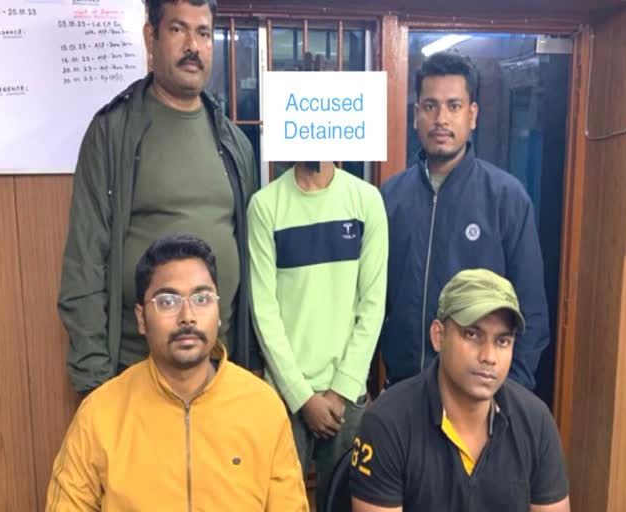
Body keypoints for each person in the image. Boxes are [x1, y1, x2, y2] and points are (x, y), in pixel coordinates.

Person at [58, 0, 258, 396]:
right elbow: (84, 265)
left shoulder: (233, 141)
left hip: (221, 371)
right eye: (178, 29)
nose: (193, 46)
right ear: (151, 36)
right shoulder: (113, 134)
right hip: (136, 374)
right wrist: (95, 387)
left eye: (203, 33)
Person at [47, 234, 309, 511]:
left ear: (218, 311)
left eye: (202, 298)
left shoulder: (262, 407)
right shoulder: (100, 414)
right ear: (141, 319)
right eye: (168, 301)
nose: (187, 316)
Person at [380, 51, 549, 390]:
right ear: (416, 115)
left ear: (472, 115)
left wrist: (507, 396)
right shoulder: (390, 198)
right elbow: (375, 303)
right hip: (406, 390)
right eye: (430, 106)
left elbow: (532, 313)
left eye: (454, 106)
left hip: (478, 397)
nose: (441, 118)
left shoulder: (506, 198)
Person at [350, 269, 570, 512]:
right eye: (472, 334)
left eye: (502, 341)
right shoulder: (387, 423)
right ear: (438, 336)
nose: (489, 357)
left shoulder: (536, 422)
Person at [248, 155, 388, 506]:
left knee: (344, 501)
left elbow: (372, 306)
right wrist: (302, 397)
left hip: (347, 395)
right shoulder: (265, 206)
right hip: (284, 397)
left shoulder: (366, 200)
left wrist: (340, 391)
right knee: (278, 502)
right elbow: (264, 310)